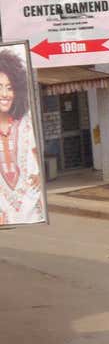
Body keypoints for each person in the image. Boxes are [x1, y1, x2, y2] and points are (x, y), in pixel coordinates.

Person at [0, 47, 42, 227]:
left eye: (9, 88)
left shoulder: (25, 123)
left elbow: (36, 152)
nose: (4, 94)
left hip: (30, 207)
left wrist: (40, 174)